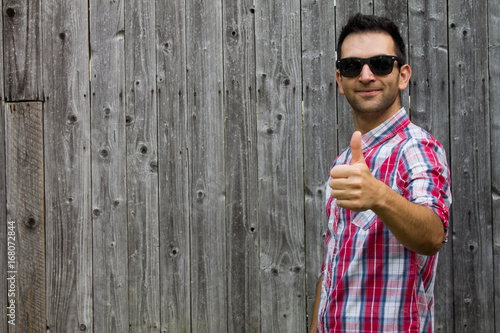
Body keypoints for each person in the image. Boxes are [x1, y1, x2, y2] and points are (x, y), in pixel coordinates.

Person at [309, 13, 452, 333]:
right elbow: (334, 260)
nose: (366, 75)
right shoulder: (342, 163)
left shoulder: (417, 148)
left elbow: (432, 235)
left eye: (380, 64)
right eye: (351, 66)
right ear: (340, 81)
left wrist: (379, 196)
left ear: (402, 75)